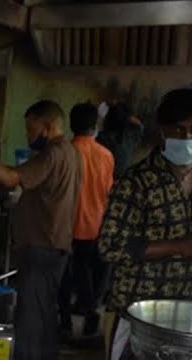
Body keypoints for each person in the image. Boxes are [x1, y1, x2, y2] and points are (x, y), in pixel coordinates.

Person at [99, 87, 192, 359]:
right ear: (162, 132)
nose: (188, 138)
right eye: (178, 130)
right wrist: (179, 246)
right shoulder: (136, 182)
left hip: (185, 309)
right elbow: (110, 246)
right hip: (135, 312)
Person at [0, 100, 81, 360]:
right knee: (44, 311)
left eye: (31, 129)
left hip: (42, 246)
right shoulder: (68, 151)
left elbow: (11, 177)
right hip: (54, 244)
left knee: (31, 316)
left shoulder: (53, 152)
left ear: (49, 126)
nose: (28, 136)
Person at [60, 102, 115, 340]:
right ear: (95, 125)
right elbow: (109, 190)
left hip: (70, 225)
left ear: (71, 125)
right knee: (90, 271)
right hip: (98, 223)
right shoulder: (106, 155)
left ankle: (67, 322)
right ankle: (90, 311)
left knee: (67, 275)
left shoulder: (67, 152)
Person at [98, 102, 145, 178]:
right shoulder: (131, 136)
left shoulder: (103, 139)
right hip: (122, 177)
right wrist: (126, 116)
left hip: (107, 179)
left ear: (107, 121)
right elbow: (140, 126)